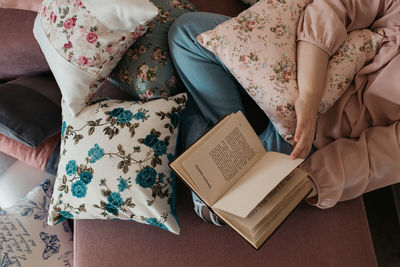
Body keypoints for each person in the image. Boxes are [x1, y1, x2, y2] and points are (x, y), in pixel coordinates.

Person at [168, 0, 400, 224]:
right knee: (186, 33)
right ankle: (226, 135)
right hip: (296, 61)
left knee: (215, 204)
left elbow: (378, 158)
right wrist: (308, 97)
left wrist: (304, 180)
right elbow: (332, 8)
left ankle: (204, 126)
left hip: (306, 134)